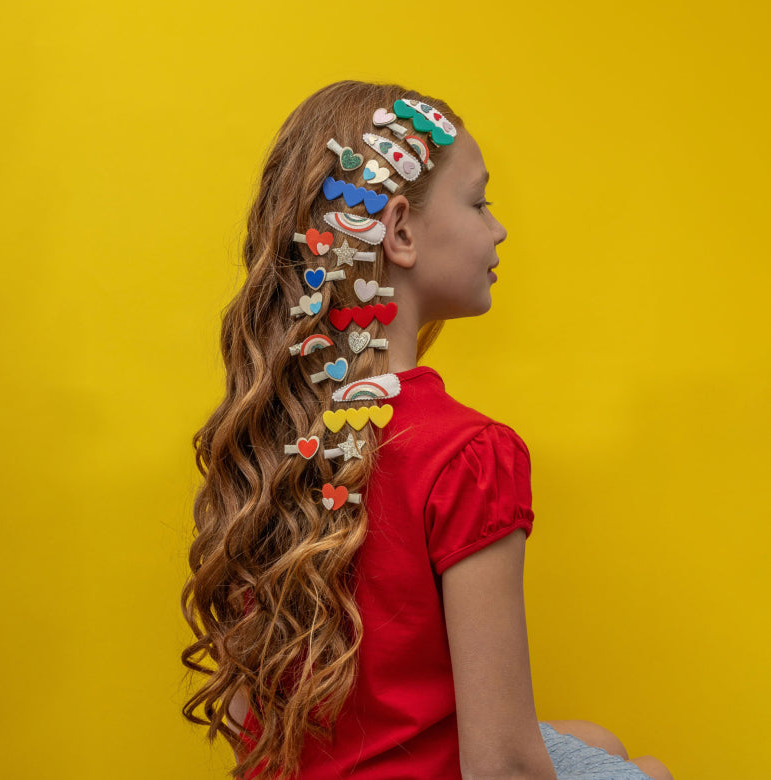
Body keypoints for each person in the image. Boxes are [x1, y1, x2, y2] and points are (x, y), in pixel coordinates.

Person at [181, 80, 673, 780]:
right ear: (401, 231)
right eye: (478, 204)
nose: (497, 229)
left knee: (597, 740)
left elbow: (248, 721)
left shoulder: (273, 439)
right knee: (649, 772)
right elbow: (501, 768)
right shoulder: (469, 454)